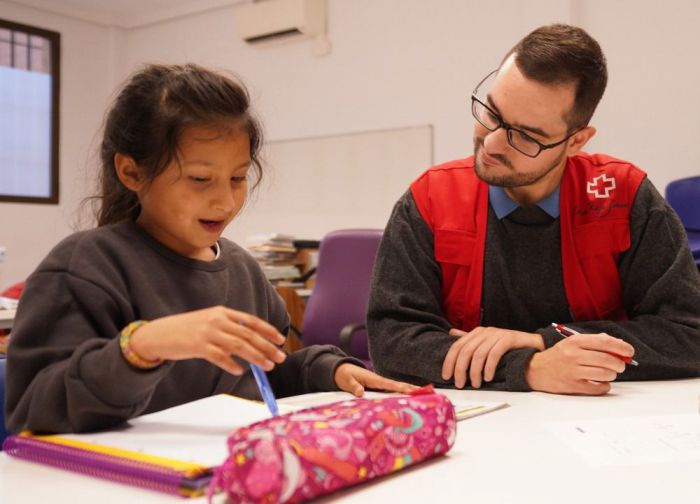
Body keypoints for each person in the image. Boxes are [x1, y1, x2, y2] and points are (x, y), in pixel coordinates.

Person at [5, 64, 415, 434]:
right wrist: (144, 345)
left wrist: (328, 369)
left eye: (237, 179)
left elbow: (263, 378)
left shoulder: (243, 272)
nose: (225, 202)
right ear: (131, 171)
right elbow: (33, 411)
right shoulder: (84, 268)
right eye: (200, 180)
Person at [368, 24, 700, 396]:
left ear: (576, 141)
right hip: (477, 428)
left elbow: (689, 334)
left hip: (601, 420)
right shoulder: (431, 198)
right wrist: (528, 368)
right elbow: (391, 342)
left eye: (525, 135)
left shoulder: (622, 196)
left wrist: (546, 341)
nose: (491, 144)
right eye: (491, 113)